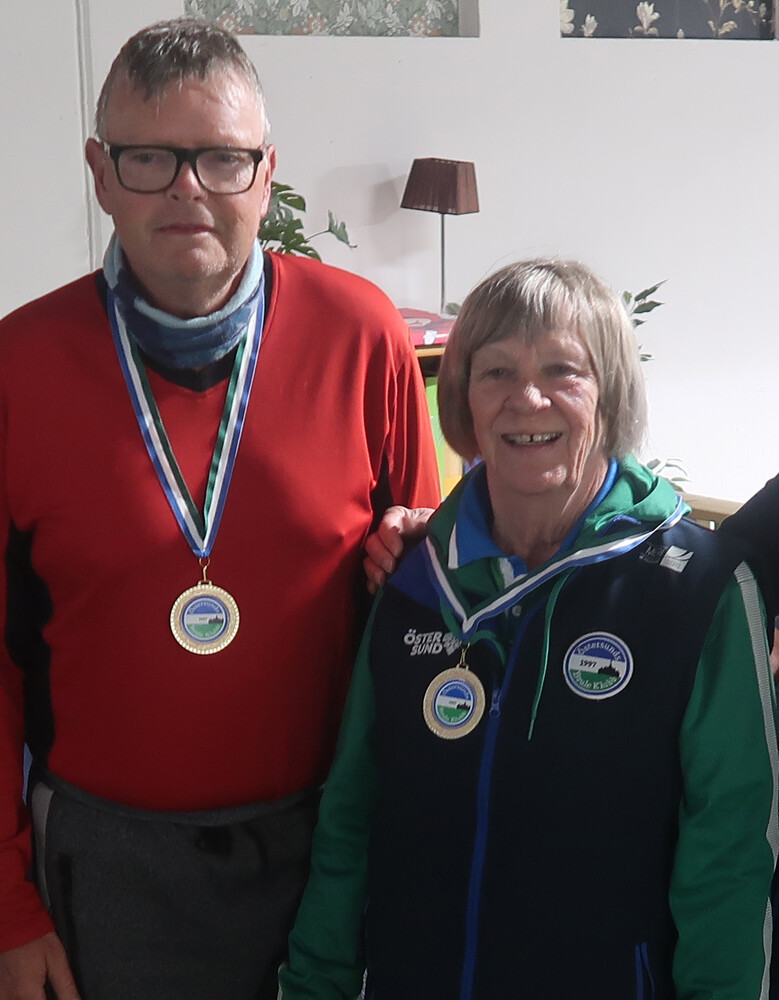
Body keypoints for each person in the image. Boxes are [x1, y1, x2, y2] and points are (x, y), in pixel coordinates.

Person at [0, 18, 439, 1000]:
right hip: (101, 864)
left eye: (221, 158)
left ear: (266, 173)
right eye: (149, 157)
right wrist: (8, 908)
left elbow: (429, 617)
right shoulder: (17, 367)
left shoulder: (362, 337)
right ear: (99, 172)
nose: (187, 188)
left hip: (328, 851)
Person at [279, 259, 779, 1000]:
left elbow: (729, 860)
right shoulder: (414, 582)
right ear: (462, 397)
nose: (527, 399)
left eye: (561, 370)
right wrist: (314, 984)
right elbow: (350, 821)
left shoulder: (699, 592)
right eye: (496, 372)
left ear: (610, 392)